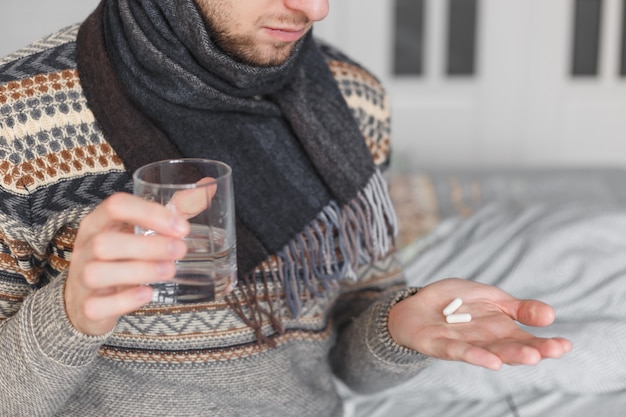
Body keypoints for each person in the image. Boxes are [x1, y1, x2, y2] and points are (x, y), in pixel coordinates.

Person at [0, 0, 572, 415]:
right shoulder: (18, 114)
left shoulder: (351, 98)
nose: (315, 9)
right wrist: (71, 314)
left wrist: (399, 324)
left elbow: (351, 350)